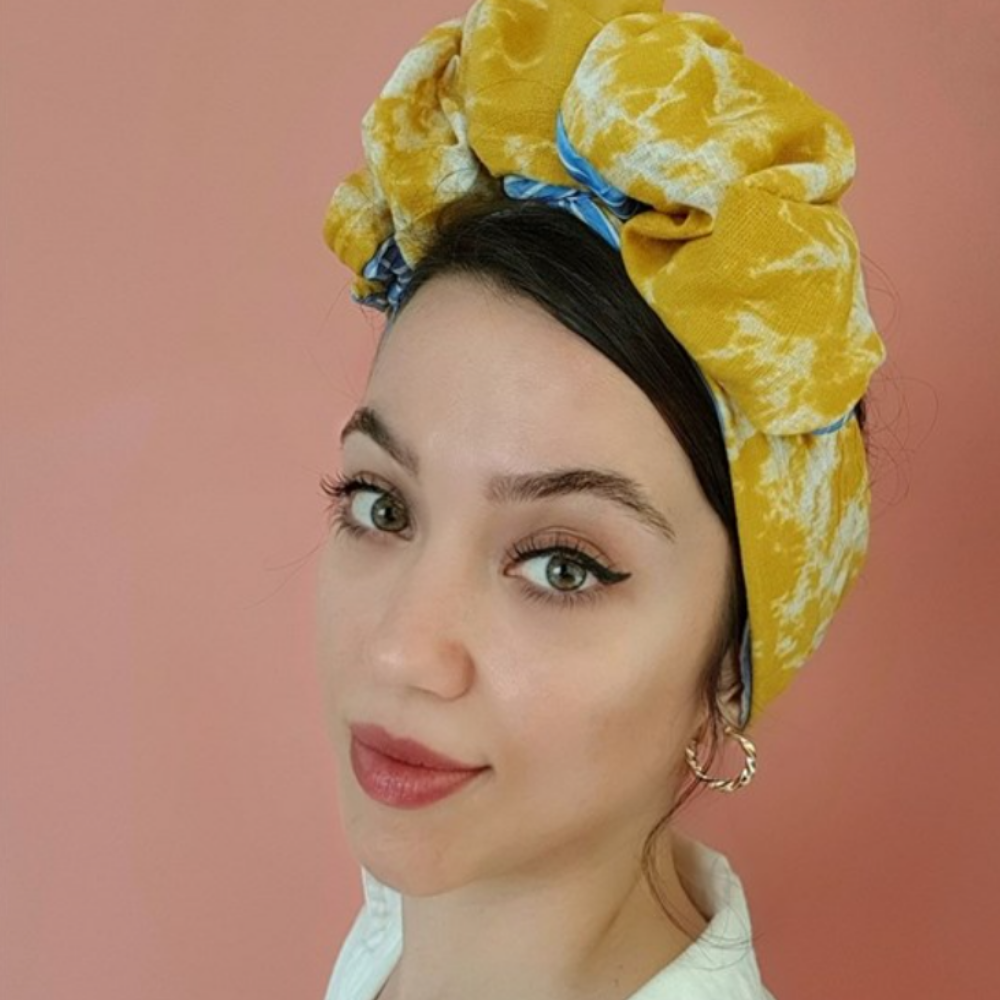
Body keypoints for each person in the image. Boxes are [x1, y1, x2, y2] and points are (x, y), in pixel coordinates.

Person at [315, 2, 886, 998]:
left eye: (561, 566)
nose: (400, 650)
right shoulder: (393, 929)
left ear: (729, 667)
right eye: (383, 507)